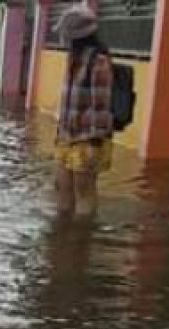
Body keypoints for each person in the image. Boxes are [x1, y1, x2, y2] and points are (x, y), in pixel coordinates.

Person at [53, 4, 114, 219]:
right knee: (61, 186)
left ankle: (81, 241)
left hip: (89, 138)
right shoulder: (74, 59)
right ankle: (63, 240)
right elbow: (67, 100)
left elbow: (101, 105)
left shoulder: (98, 61)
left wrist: (94, 140)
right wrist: (59, 132)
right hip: (67, 135)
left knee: (84, 191)